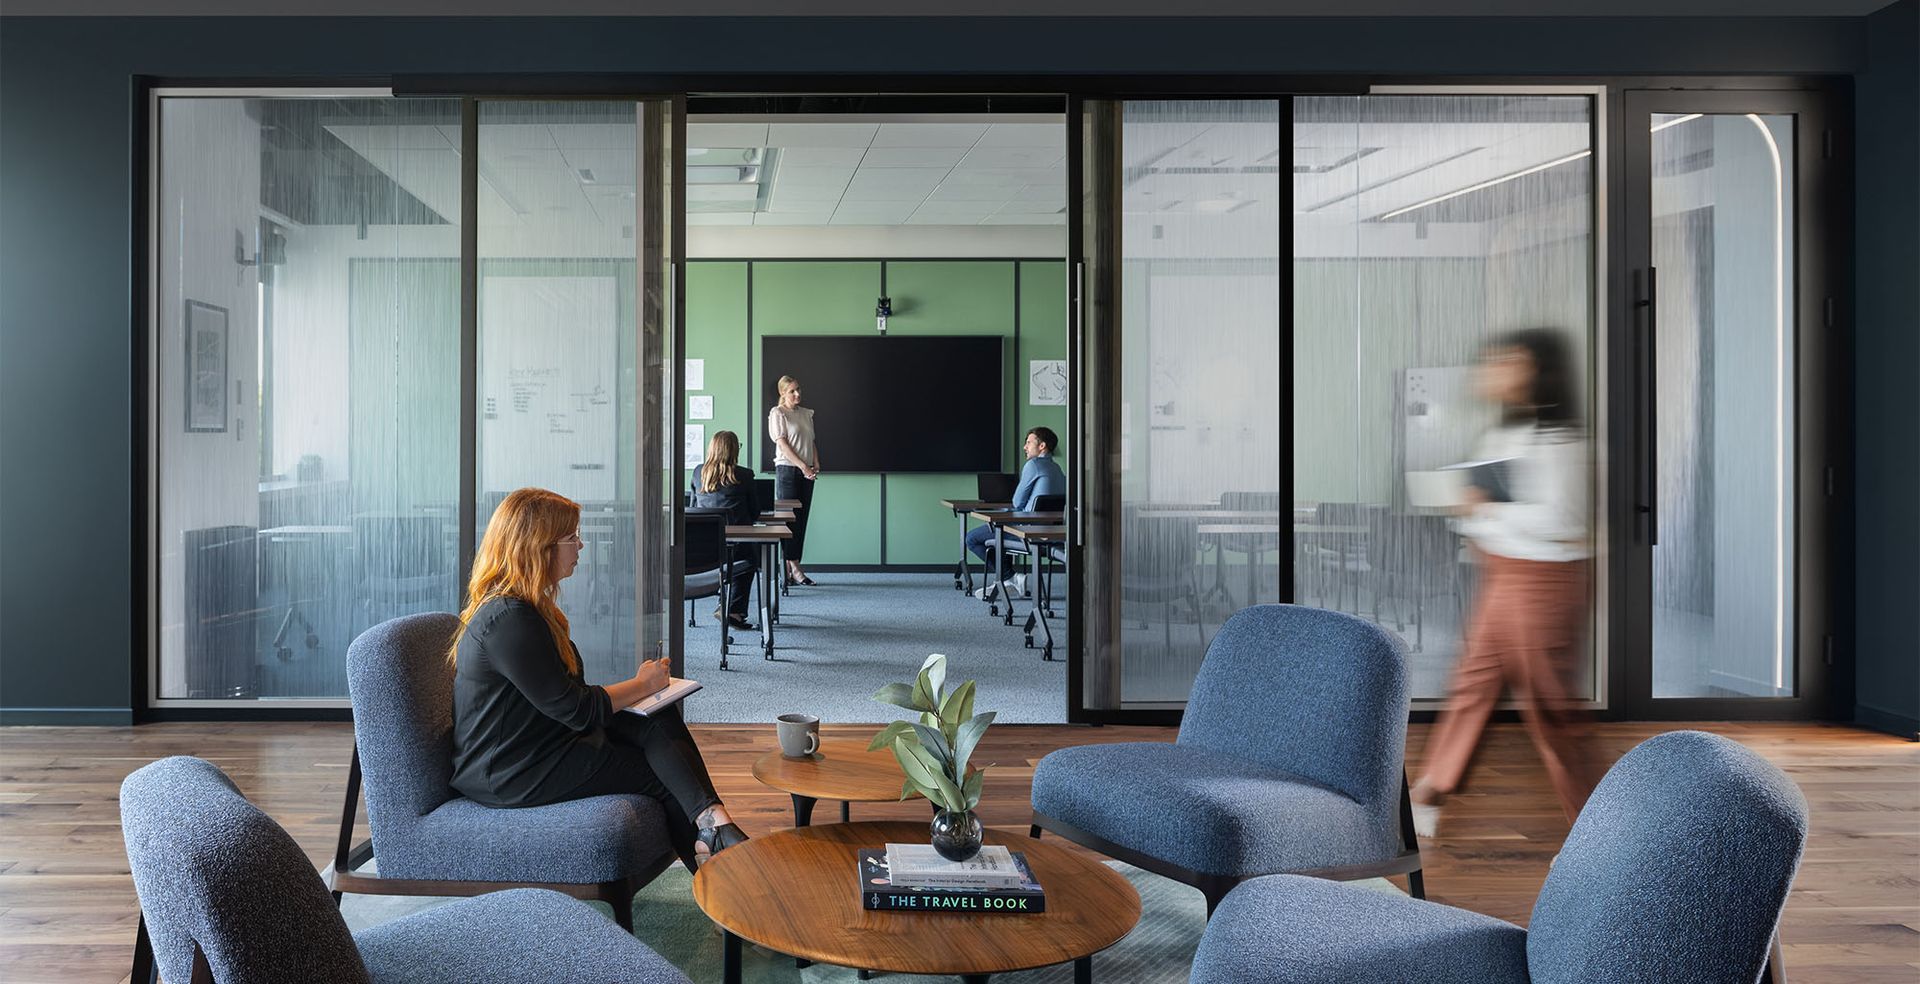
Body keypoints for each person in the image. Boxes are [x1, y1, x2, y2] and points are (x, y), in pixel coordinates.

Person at [448, 487, 747, 868]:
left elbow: (569, 699)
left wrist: (648, 693)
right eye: (571, 537)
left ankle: (715, 826)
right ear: (539, 547)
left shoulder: (526, 608)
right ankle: (717, 865)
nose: (581, 546)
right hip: (512, 770)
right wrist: (645, 684)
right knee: (663, 776)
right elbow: (577, 710)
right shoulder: (509, 619)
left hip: (540, 741)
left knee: (657, 718)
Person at [1409, 329, 1599, 837]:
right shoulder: (1501, 438)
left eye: (1506, 361)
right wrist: (1468, 509)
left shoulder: (1566, 441)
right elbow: (1478, 513)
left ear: (1539, 370)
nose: (1491, 371)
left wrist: (1488, 509)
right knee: (1473, 684)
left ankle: (1593, 831)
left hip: (1547, 579)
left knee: (1550, 708)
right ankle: (1430, 791)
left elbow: (1564, 521)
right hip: (1502, 573)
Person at [971, 426, 1066, 600]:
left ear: (1042, 446)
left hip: (1027, 532)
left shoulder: (1033, 465)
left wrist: (1002, 514)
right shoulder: (1058, 469)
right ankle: (1008, 579)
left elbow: (1017, 502)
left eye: (1029, 442)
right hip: (1051, 534)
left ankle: (1009, 578)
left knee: (972, 538)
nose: (1025, 447)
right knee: (997, 530)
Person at [691, 430, 757, 630]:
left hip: (703, 552)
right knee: (750, 560)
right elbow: (755, 512)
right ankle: (734, 611)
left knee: (729, 560)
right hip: (736, 547)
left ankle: (724, 604)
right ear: (734, 450)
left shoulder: (698, 472)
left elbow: (694, 509)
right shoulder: (744, 475)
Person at [767, 374, 821, 586]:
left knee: (802, 519)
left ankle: (791, 566)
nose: (798, 393)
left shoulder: (806, 414)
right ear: (783, 393)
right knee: (790, 522)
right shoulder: (778, 413)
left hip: (807, 471)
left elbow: (811, 441)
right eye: (792, 391)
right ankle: (795, 568)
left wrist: (816, 463)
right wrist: (803, 466)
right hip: (788, 471)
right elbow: (783, 445)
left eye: (799, 389)